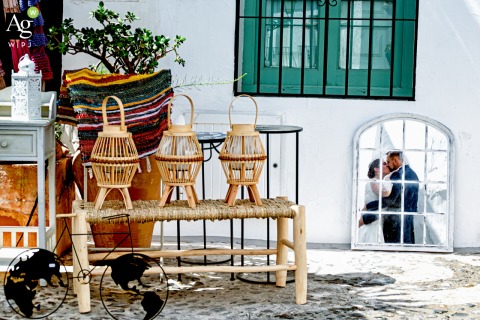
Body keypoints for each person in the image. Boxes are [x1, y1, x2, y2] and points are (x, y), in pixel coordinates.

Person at [364, 151, 419, 244]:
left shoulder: (398, 175)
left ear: (395, 160)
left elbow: (390, 200)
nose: (388, 165)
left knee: (393, 250)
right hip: (408, 219)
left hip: (395, 222)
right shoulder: (413, 174)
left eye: (388, 162)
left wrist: (368, 206)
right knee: (407, 247)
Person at [358, 158, 392, 243]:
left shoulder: (377, 182)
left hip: (375, 224)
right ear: (376, 169)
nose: (387, 165)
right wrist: (391, 182)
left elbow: (365, 207)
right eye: (384, 164)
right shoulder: (374, 181)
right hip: (372, 226)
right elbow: (386, 193)